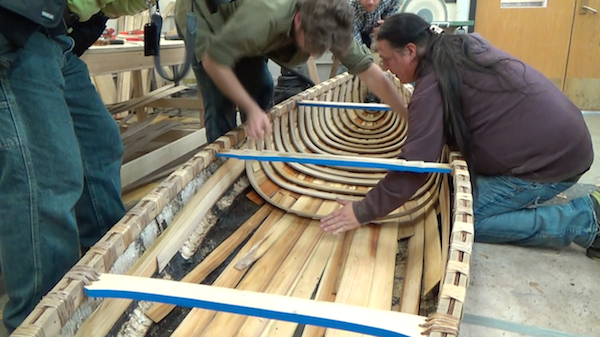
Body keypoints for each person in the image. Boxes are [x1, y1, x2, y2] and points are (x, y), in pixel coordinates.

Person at [320, 12, 600, 261]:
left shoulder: (432, 86)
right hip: (567, 137)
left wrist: (362, 211)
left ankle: (586, 219)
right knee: (459, 197)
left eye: (387, 60)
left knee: (463, 218)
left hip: (555, 161)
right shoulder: (457, 45)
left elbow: (416, 166)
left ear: (410, 50)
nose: (386, 68)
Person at [0, 0, 149, 332]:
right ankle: (41, 319)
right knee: (46, 176)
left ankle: (109, 268)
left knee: (99, 145)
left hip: (54, 33)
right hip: (17, 23)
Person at [174, 0, 409, 143]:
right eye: (311, 46)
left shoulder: (332, 21)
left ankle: (253, 150)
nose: (315, 55)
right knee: (221, 102)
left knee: (262, 87)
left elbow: (369, 72)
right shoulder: (266, 16)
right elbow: (213, 61)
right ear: (298, 20)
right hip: (206, 16)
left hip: (242, 22)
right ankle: (221, 171)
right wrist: (250, 109)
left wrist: (406, 113)